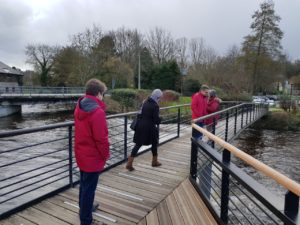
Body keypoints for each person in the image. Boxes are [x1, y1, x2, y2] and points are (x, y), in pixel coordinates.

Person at [74, 79, 110, 225]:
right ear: (98, 93)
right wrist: (106, 154)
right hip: (92, 157)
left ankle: (84, 209)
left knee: (84, 184)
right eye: (103, 94)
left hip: (81, 153)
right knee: (89, 189)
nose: (103, 97)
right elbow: (101, 139)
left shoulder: (79, 107)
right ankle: (86, 220)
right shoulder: (97, 112)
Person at [126, 89, 163, 171]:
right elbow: (156, 120)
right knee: (154, 143)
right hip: (149, 127)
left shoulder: (145, 102)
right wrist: (161, 119)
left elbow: (139, 114)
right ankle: (154, 161)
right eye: (160, 97)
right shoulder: (155, 105)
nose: (160, 99)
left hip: (140, 126)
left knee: (138, 144)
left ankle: (129, 163)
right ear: (157, 97)